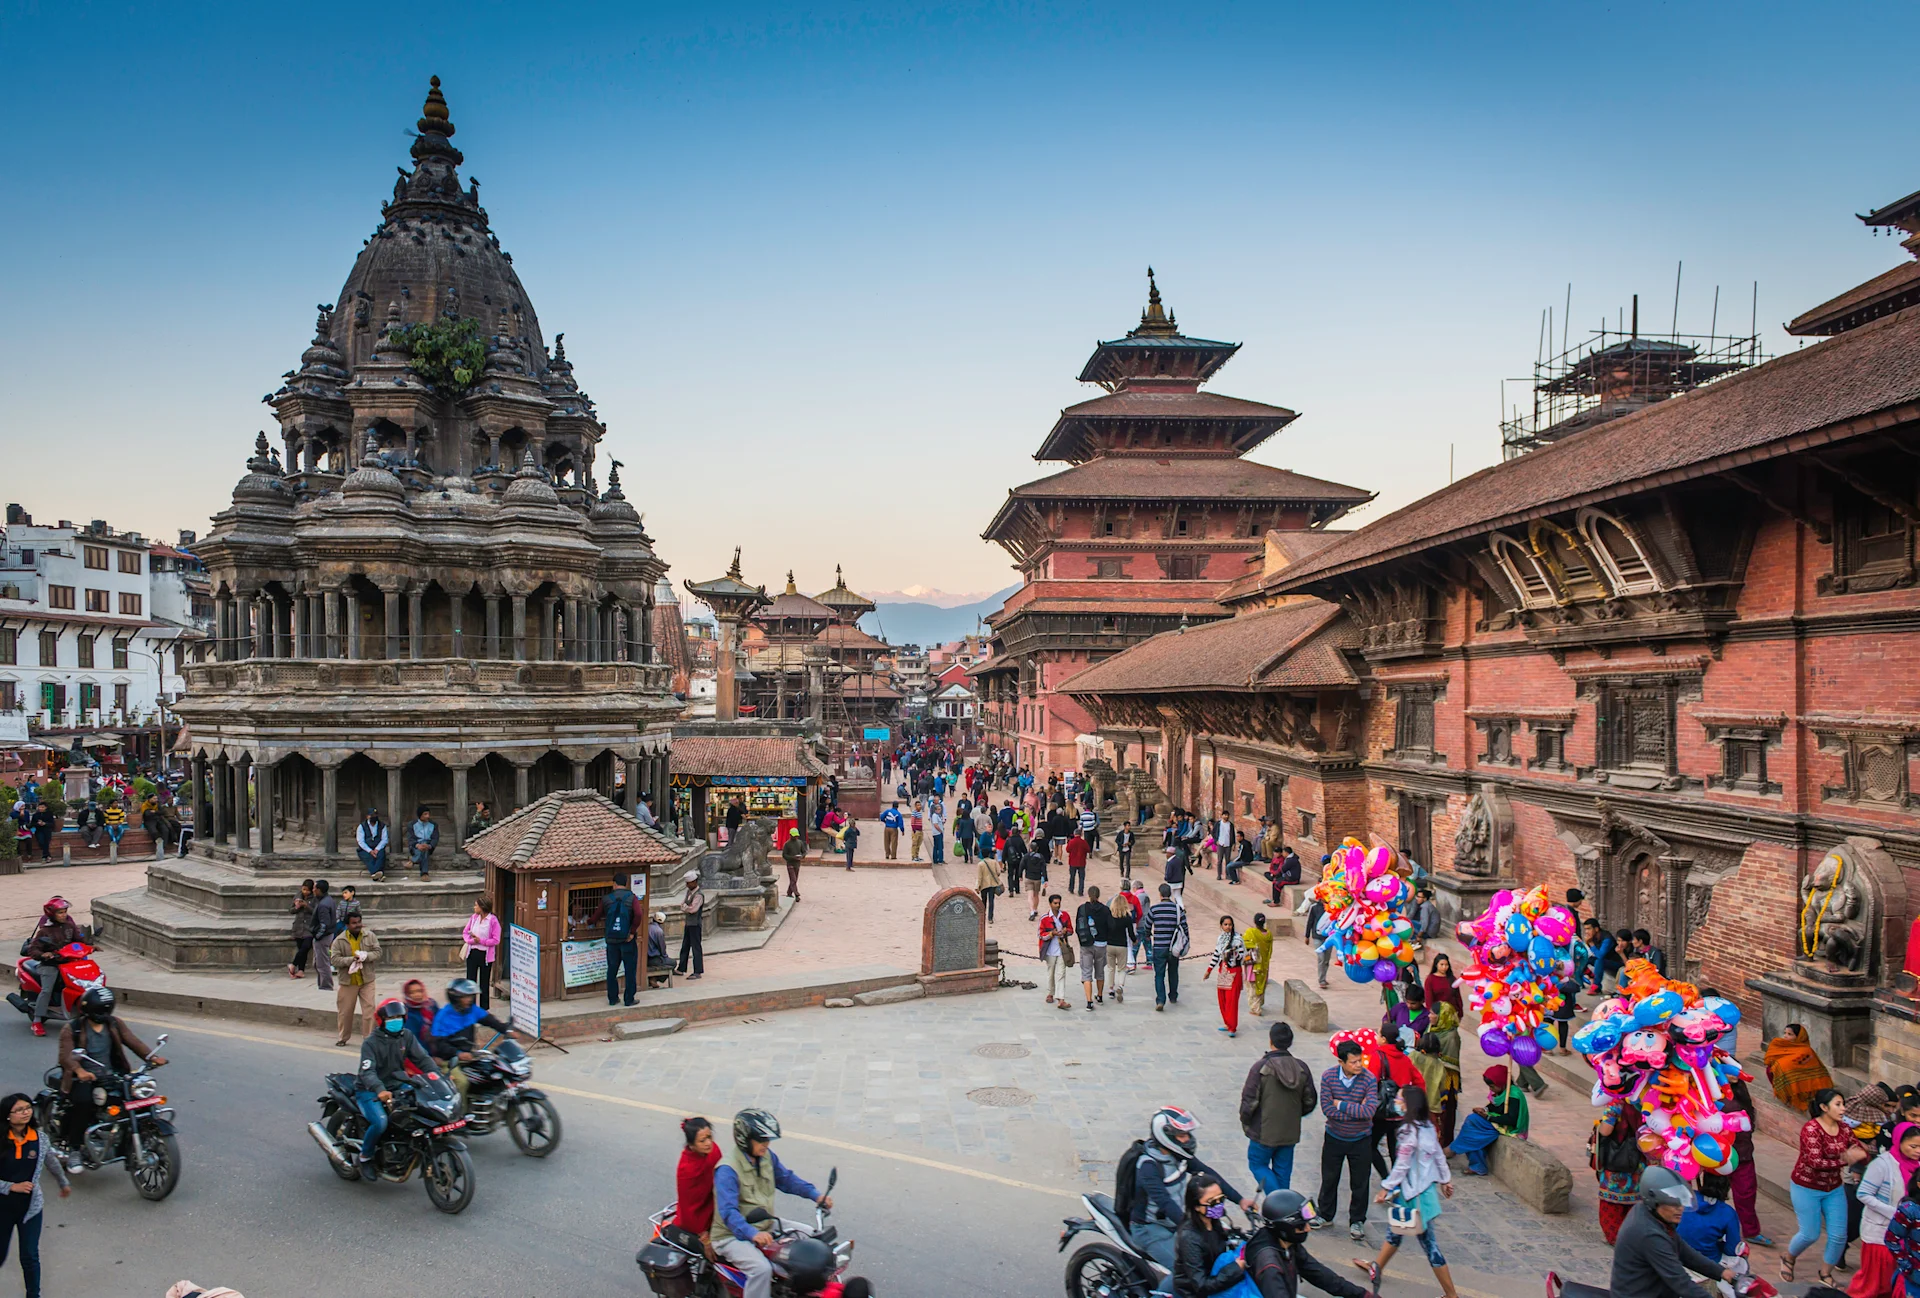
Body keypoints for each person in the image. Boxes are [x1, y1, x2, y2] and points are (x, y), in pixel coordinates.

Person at [711, 1109, 830, 1298]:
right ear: (745, 1139)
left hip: (765, 1224)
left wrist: (815, 1195)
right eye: (761, 1140)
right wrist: (753, 1234)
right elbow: (728, 1213)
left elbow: (786, 1179)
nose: (766, 1144)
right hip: (730, 1236)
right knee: (761, 1269)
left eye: (767, 1140)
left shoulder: (766, 1157)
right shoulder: (727, 1170)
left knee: (811, 1236)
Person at [1352, 1085, 1457, 1298]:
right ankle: (1377, 1266)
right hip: (1421, 1193)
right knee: (1396, 1231)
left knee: (1430, 1246)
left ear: (1408, 1105)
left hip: (1414, 1197)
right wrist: (1446, 1180)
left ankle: (1451, 1295)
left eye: (1400, 1099)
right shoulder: (1428, 1127)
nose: (1396, 1102)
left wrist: (1385, 1187)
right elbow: (1438, 1155)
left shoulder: (1409, 1133)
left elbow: (1402, 1166)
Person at [56, 987, 162, 1172]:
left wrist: (150, 1057)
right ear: (88, 1010)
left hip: (113, 1075)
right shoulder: (72, 1028)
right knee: (83, 1104)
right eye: (99, 1010)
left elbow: (132, 1040)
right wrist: (79, 1070)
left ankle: (128, 1138)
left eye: (106, 1010)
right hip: (83, 1078)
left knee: (137, 1100)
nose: (103, 1014)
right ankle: (74, 1150)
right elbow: (65, 1056)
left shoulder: (114, 1023)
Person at [1784, 1086, 1869, 1286]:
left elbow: (1856, 1151)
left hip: (1833, 1188)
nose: (1843, 1109)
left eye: (1843, 1104)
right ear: (1823, 1107)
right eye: (1838, 1105)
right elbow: (1815, 1162)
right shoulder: (1811, 1129)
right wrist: (1845, 1160)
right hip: (1806, 1186)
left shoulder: (1846, 1129)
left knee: (1840, 1235)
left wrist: (1863, 1155)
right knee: (1809, 1234)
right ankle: (1788, 1258)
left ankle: (1825, 1273)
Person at [353, 998, 439, 1179]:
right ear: (382, 1020)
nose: (396, 1020)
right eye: (392, 1017)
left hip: (397, 1084)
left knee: (421, 1108)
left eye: (400, 1016)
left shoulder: (405, 1036)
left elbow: (422, 1059)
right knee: (381, 1122)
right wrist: (379, 1089)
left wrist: (436, 1075)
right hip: (369, 1090)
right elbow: (367, 1072)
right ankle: (365, 1157)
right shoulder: (370, 1043)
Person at [0, 1090, 68, 1298]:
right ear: (7, 1115)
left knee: (30, 1255)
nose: (25, 1112)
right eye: (19, 1110)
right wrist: (11, 1187)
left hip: (30, 1209)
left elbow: (51, 1161)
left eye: (28, 1108)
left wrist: (63, 1182)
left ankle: (33, 1295)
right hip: (2, 1209)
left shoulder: (39, 1138)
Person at [1243, 1189, 1370, 1298]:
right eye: (1301, 1225)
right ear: (1285, 1228)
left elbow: (1318, 1273)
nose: (1308, 1228)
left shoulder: (1284, 1242)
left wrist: (1361, 1294)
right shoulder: (1269, 1266)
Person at [1315, 1040, 1383, 1242]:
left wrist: (1341, 1105)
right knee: (1329, 1178)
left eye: (1359, 1060)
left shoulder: (1369, 1079)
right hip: (1334, 1136)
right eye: (1353, 1062)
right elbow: (1327, 1109)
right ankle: (1326, 1214)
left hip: (1361, 1139)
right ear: (1341, 1062)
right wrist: (1355, 1110)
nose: (1358, 1065)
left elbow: (1369, 1111)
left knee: (1360, 1182)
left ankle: (1357, 1220)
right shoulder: (1328, 1077)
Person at [1241, 1022, 1316, 1194]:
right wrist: (1295, 1114)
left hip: (1263, 1131)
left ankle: (1281, 1207)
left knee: (1257, 1164)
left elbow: (1248, 1101)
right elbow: (1310, 1100)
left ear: (1271, 1041)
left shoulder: (1261, 1068)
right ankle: (1284, 1212)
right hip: (1290, 1131)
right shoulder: (1302, 1068)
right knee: (1283, 1174)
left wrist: (1247, 1123)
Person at [427, 978, 516, 1107]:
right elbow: (439, 1045)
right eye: (465, 997)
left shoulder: (472, 1010)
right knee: (462, 1082)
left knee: (492, 1071)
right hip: (449, 1061)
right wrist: (457, 1054)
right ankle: (460, 1116)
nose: (469, 999)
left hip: (470, 1056)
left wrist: (507, 1030)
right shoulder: (443, 1017)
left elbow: (490, 1021)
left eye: (471, 996)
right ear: (455, 998)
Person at [1174, 1172, 1247, 1297]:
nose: (1218, 1205)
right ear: (1196, 1206)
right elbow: (1201, 1285)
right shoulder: (1190, 1238)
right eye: (1212, 1202)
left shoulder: (1214, 1221)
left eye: (1221, 1199)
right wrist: (1235, 1268)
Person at [20, 897, 85, 1037]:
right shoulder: (45, 931)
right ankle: (37, 1021)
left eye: (65, 912)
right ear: (52, 914)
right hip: (50, 965)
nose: (64, 915)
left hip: (68, 963)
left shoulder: (69, 926)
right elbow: (33, 950)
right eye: (60, 912)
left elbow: (78, 940)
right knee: (47, 989)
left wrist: (90, 945)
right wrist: (45, 955)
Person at [1448, 1064, 1527, 1175]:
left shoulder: (1514, 1095)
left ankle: (1453, 1149)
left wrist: (1488, 1117)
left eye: (1492, 1086)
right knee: (1473, 1130)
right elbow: (1493, 1106)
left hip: (1509, 1127)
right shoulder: (1500, 1091)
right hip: (1496, 1120)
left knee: (1472, 1122)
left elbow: (1511, 1119)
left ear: (1501, 1083)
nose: (1490, 1089)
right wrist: (1483, 1109)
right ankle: (1476, 1165)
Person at [1678, 1172, 1746, 1293]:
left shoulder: (1686, 1199)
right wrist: (1719, 1244)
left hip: (1678, 1258)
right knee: (1741, 1261)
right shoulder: (1728, 1213)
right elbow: (1732, 1250)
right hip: (1708, 1262)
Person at [1595, 1096, 1647, 1245]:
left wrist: (1599, 1126)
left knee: (1611, 1207)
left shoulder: (1616, 1103)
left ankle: (1616, 1237)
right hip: (1640, 1159)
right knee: (1635, 1206)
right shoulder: (1646, 1101)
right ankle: (1632, 1236)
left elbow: (1606, 1131)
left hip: (1618, 1161)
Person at [328, 911, 381, 1046]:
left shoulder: (370, 936)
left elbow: (378, 952)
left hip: (367, 979)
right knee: (345, 1012)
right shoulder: (339, 941)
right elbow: (334, 960)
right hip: (348, 981)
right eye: (354, 923)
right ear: (347, 925)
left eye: (359, 922)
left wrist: (366, 956)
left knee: (369, 1010)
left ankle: (368, 1039)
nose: (357, 925)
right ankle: (343, 1038)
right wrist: (352, 960)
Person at [592, 872, 642, 1007]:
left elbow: (596, 916)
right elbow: (638, 914)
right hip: (627, 940)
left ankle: (613, 998)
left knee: (612, 969)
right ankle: (629, 999)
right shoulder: (632, 898)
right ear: (626, 884)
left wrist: (589, 922)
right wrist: (632, 932)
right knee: (630, 970)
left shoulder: (607, 899)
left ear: (614, 884)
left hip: (612, 941)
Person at [1409, 1029, 1462, 1151]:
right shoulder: (1440, 1066)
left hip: (1413, 1102)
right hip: (1432, 1107)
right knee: (1431, 1135)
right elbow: (1443, 1088)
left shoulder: (1413, 1056)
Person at [1766, 1023, 1835, 1114]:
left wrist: (1780, 1066)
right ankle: (1785, 1094)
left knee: (1780, 1069)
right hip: (1791, 1074)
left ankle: (1793, 1095)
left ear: (1799, 1037)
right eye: (1785, 1033)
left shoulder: (1806, 1051)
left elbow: (1793, 1063)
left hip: (1804, 1080)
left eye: (1790, 1034)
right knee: (1770, 1069)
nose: (1785, 1036)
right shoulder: (1782, 1045)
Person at [675, 1116, 724, 1240]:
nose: (708, 1143)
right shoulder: (687, 1169)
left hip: (719, 1209)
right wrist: (702, 1235)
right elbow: (688, 1205)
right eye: (702, 1141)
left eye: (709, 1137)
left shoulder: (714, 1151)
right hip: (698, 1223)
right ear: (692, 1145)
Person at [1205, 914, 1248, 1038]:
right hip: (1223, 971)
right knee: (1222, 999)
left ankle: (1232, 1026)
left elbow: (1242, 956)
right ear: (1221, 926)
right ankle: (1227, 1022)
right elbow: (1216, 955)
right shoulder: (1220, 939)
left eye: (1230, 924)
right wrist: (1209, 970)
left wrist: (1234, 953)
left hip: (1234, 972)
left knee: (1232, 1000)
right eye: (1225, 924)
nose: (1228, 927)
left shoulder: (1238, 939)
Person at [1147, 884, 1186, 1011]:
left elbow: (1147, 926)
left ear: (1160, 894)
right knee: (1173, 972)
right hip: (1174, 947)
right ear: (1170, 894)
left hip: (1159, 946)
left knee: (1159, 974)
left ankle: (1160, 1000)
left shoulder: (1154, 909)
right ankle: (1173, 995)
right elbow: (1185, 928)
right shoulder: (1178, 909)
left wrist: (1148, 935)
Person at [1075, 885, 1111, 1010]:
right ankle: (1100, 995)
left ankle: (1089, 1001)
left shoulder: (1082, 908)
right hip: (1101, 943)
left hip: (1087, 944)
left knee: (1086, 972)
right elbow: (1110, 926)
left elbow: (1077, 926)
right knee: (1100, 971)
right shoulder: (1106, 910)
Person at [461, 898, 499, 1009]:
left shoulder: (493, 920)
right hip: (472, 953)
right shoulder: (474, 918)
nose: (474, 907)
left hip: (485, 956)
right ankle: (470, 1008)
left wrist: (481, 941)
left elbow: (496, 940)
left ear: (482, 907)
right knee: (470, 981)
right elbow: (465, 932)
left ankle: (484, 1009)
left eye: (476, 905)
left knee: (484, 983)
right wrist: (471, 940)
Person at [1039, 894, 1074, 1011]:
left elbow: (1071, 930)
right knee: (1051, 972)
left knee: (1061, 973)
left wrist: (1065, 931)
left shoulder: (1065, 916)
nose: (1057, 905)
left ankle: (1061, 999)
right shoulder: (1044, 918)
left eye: (1059, 903)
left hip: (1061, 950)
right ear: (1050, 904)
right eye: (1055, 903)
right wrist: (1051, 934)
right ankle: (1050, 992)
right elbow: (1040, 934)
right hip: (1049, 950)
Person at [1107, 883, 1136, 1003]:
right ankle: (1120, 986)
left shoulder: (1109, 915)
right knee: (1122, 968)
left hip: (1109, 944)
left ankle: (1110, 989)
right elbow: (1130, 932)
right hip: (1122, 945)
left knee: (1110, 968)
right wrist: (1134, 940)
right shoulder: (1127, 917)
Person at [678, 869, 707, 980]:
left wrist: (685, 907)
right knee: (685, 946)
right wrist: (685, 907)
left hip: (695, 924)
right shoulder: (689, 893)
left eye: (688, 883)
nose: (687, 885)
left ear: (694, 882)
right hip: (689, 923)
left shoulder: (699, 895)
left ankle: (697, 971)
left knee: (696, 948)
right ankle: (681, 968)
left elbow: (693, 909)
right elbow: (683, 905)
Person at [1244, 913, 1274, 1016]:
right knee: (1261, 984)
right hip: (1264, 964)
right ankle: (1260, 1003)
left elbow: (1245, 945)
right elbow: (1270, 950)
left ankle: (1255, 1008)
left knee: (1252, 986)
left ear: (1254, 922)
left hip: (1253, 965)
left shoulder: (1250, 932)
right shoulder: (1269, 934)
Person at [310, 879, 338, 991]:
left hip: (323, 936)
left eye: (314, 888)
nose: (313, 890)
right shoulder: (327, 900)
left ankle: (326, 985)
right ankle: (321, 984)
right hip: (327, 934)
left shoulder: (323, 905)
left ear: (319, 890)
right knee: (318, 962)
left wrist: (318, 936)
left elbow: (324, 924)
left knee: (322, 963)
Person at [288, 879, 315, 979]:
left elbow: (315, 911)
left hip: (308, 927)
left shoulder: (314, 898)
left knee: (306, 946)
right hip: (298, 927)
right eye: (304, 889)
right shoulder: (297, 896)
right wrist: (297, 907)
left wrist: (306, 906)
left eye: (307, 890)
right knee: (301, 949)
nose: (305, 892)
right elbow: (291, 910)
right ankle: (301, 970)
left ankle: (293, 964)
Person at [398, 977, 439, 1042]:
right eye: (412, 992)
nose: (417, 995)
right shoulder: (405, 1011)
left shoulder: (431, 1005)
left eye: (419, 991)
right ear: (407, 994)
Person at [1422, 953, 1462, 1019]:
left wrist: (1460, 1013)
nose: (1444, 967)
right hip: (1438, 1014)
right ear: (1436, 965)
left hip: (1451, 1014)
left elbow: (1457, 996)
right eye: (1442, 964)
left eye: (1446, 965)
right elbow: (1429, 999)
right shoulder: (1430, 979)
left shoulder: (1452, 978)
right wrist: (1432, 1014)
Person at [406, 805, 439, 879]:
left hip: (428, 845)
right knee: (422, 851)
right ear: (420, 815)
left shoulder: (433, 825)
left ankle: (413, 861)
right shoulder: (412, 825)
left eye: (428, 814)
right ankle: (424, 874)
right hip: (415, 846)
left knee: (425, 849)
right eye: (425, 814)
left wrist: (429, 846)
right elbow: (410, 838)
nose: (428, 816)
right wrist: (417, 845)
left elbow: (435, 838)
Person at [355, 809, 389, 880]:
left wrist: (377, 849)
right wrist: (370, 851)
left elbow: (384, 839)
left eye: (375, 815)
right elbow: (360, 841)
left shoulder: (382, 826)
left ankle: (375, 875)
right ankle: (378, 875)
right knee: (370, 858)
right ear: (367, 816)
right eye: (372, 815)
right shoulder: (362, 826)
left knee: (381, 855)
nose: (374, 817)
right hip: (365, 849)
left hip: (378, 848)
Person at [1023, 841, 1049, 920]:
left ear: (1030, 849)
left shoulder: (1027, 856)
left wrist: (1020, 875)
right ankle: (1035, 909)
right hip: (1037, 878)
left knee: (1030, 896)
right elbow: (1044, 868)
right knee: (1036, 895)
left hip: (1029, 877)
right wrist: (1045, 879)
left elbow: (1021, 865)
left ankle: (1031, 911)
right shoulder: (1040, 857)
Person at [781, 826, 806, 901]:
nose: (795, 837)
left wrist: (802, 856)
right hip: (790, 864)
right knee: (793, 879)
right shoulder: (787, 844)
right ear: (790, 835)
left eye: (796, 836)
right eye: (794, 836)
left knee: (794, 880)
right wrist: (792, 858)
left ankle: (789, 893)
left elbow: (804, 851)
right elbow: (784, 855)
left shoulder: (800, 843)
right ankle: (796, 894)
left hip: (797, 864)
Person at [1066, 830, 1090, 896]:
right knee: (1081, 877)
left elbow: (1067, 850)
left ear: (1074, 834)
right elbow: (1088, 849)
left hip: (1072, 862)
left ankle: (1071, 888)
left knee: (1072, 876)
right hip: (1081, 862)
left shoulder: (1071, 841)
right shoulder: (1083, 842)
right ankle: (1080, 891)